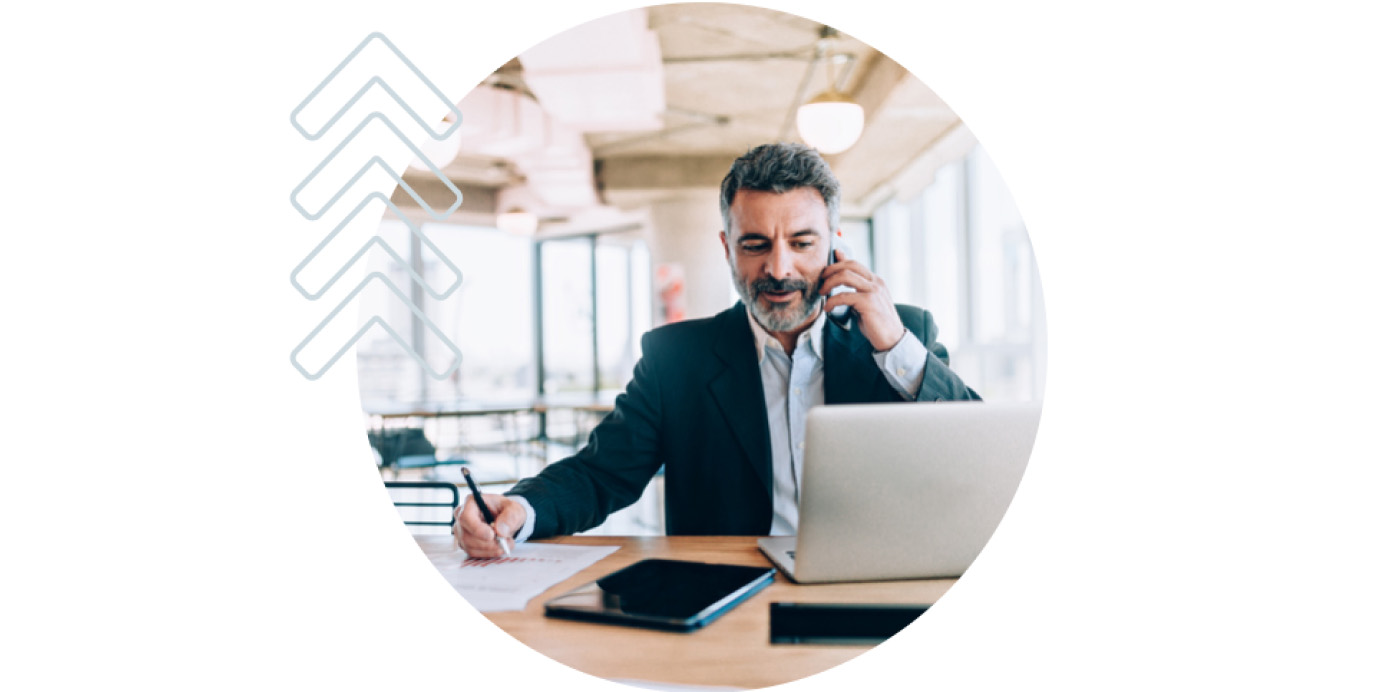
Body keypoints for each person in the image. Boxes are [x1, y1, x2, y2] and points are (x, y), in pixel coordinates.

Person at [454, 142, 979, 557]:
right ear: (728, 248)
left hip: (872, 586)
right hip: (725, 596)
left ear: (834, 244)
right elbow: (601, 473)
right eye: (755, 244)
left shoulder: (902, 334)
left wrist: (896, 348)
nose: (778, 269)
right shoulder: (676, 358)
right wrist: (520, 508)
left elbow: (972, 459)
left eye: (801, 243)